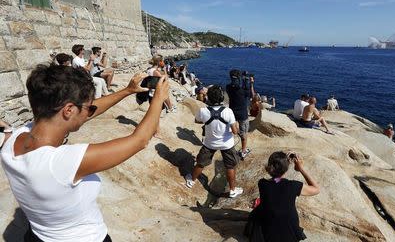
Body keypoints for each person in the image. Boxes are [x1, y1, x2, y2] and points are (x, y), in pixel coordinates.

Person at [1, 63, 169, 241]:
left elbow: (80, 114)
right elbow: (140, 141)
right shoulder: (61, 162)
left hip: (37, 235)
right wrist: (158, 99)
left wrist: (127, 91)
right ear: (68, 110)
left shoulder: (12, 141)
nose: (90, 111)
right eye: (88, 107)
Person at [245, 151, 320, 241]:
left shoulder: (262, 183)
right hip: (289, 233)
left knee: (258, 210)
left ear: (270, 167)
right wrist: (300, 168)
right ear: (286, 168)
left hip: (267, 233)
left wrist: (284, 161)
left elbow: (276, 181)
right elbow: (316, 189)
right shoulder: (293, 186)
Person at [185, 85, 243, 198]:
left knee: (201, 163)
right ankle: (232, 190)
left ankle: (191, 180)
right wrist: (236, 126)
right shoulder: (228, 111)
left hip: (209, 143)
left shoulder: (203, 111)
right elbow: (235, 131)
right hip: (227, 144)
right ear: (221, 98)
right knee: (230, 166)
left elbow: (197, 120)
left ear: (208, 98)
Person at [226, 70, 255, 159]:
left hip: (232, 113)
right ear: (239, 78)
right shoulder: (243, 90)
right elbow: (252, 95)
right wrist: (250, 83)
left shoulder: (228, 87)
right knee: (244, 134)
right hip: (242, 114)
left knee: (232, 130)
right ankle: (243, 151)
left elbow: (236, 87)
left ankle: (228, 147)